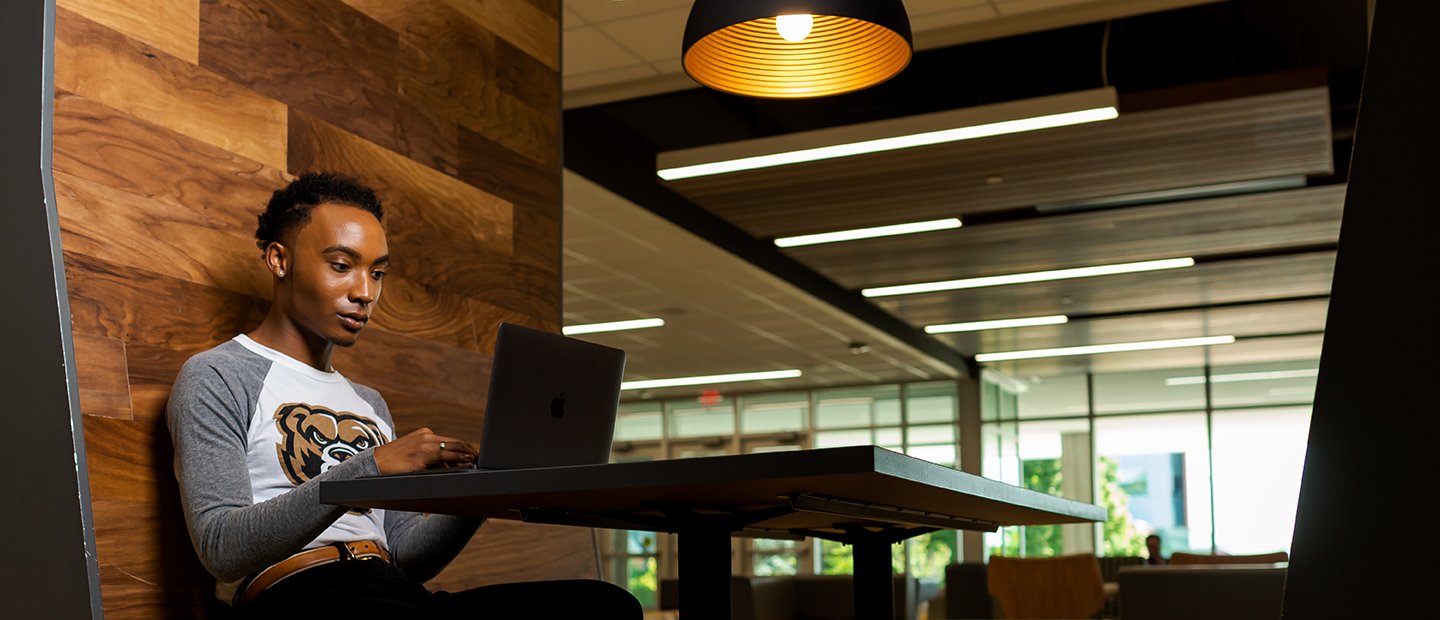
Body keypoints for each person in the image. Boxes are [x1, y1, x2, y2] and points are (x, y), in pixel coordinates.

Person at [167, 172, 641, 618]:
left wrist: (487, 485)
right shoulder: (219, 375)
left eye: (378, 273)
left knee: (605, 604)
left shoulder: (369, 403)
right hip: (299, 596)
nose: (364, 292)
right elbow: (221, 548)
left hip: (390, 589)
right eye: (341, 266)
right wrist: (371, 467)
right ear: (279, 259)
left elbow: (407, 558)